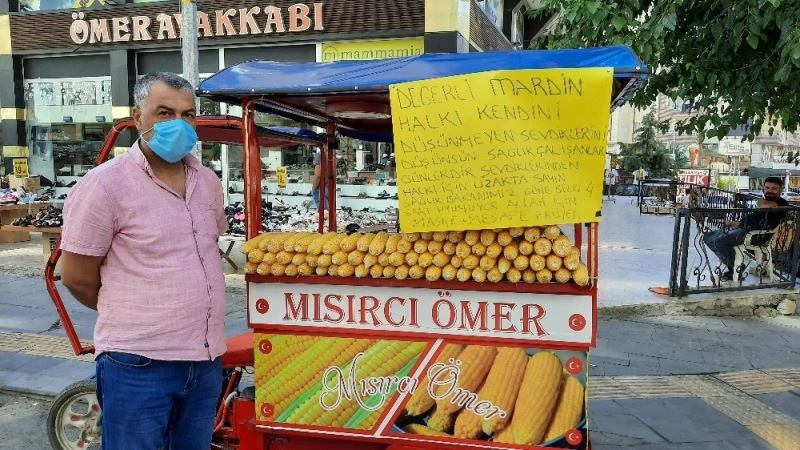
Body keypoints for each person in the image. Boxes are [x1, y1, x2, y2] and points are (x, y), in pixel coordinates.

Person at [60, 72, 227, 449]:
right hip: (138, 363)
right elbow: (75, 275)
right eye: (165, 112)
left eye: (188, 115)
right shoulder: (105, 185)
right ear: (138, 117)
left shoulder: (208, 182)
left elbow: (206, 249)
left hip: (205, 359)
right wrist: (134, 310)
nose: (179, 125)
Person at [702, 177, 788, 281]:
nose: (769, 191)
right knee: (708, 237)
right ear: (763, 188)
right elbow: (755, 217)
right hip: (744, 229)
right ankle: (732, 263)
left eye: (774, 188)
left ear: (780, 190)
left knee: (720, 242)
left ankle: (736, 269)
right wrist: (737, 223)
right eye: (767, 188)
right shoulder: (767, 201)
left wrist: (760, 200)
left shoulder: (781, 203)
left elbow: (763, 205)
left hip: (756, 236)